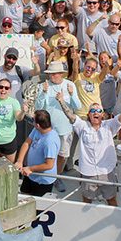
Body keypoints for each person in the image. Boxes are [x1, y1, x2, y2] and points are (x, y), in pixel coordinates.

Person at [56, 91, 121, 205]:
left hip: (107, 171)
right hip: (88, 172)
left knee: (111, 199)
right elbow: (70, 116)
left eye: (98, 111)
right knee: (87, 200)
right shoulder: (82, 126)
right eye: (92, 110)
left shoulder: (110, 125)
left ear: (103, 115)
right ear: (88, 115)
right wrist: (61, 101)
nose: (95, 112)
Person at [34, 61, 80, 189]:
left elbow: (78, 106)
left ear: (61, 74)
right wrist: (43, 93)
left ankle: (56, 177)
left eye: (54, 74)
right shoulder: (43, 85)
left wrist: (71, 95)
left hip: (65, 129)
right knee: (46, 155)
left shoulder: (70, 85)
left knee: (62, 156)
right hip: (47, 130)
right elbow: (38, 107)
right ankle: (45, 177)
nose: (51, 76)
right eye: (50, 74)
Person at [15, 110, 61, 196]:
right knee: (23, 195)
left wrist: (30, 169)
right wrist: (19, 161)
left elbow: (49, 165)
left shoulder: (50, 141)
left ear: (38, 125)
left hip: (43, 180)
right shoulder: (37, 130)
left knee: (38, 206)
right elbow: (26, 143)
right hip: (30, 175)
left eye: (33, 120)